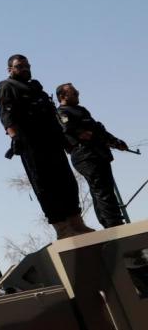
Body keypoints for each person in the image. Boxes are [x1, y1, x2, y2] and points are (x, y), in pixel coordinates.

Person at [0, 54, 93, 239]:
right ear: (10, 69)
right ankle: (62, 228)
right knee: (46, 186)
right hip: (31, 144)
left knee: (67, 182)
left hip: (52, 142)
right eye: (19, 66)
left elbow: (52, 117)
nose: (25, 68)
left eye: (27, 65)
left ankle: (76, 223)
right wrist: (15, 137)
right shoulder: (7, 87)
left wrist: (65, 142)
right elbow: (7, 116)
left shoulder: (35, 88)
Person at [57, 83, 130, 229]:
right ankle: (114, 224)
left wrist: (115, 142)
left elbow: (96, 130)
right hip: (85, 155)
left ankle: (109, 222)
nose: (78, 94)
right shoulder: (62, 113)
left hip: (98, 153)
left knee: (104, 189)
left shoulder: (81, 111)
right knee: (102, 190)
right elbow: (78, 132)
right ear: (63, 96)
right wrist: (92, 135)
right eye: (74, 93)